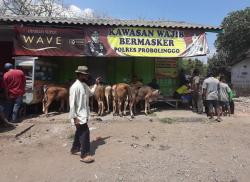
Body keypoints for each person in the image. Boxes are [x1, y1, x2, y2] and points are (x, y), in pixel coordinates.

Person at [69, 65, 100, 163]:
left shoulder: (84, 85)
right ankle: (84, 155)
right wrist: (74, 118)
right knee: (85, 133)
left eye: (87, 75)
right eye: (85, 75)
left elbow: (91, 93)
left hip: (84, 114)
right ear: (80, 75)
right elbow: (72, 104)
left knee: (79, 132)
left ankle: (75, 149)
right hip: (79, 116)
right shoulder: (75, 87)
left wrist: (96, 84)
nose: (87, 77)